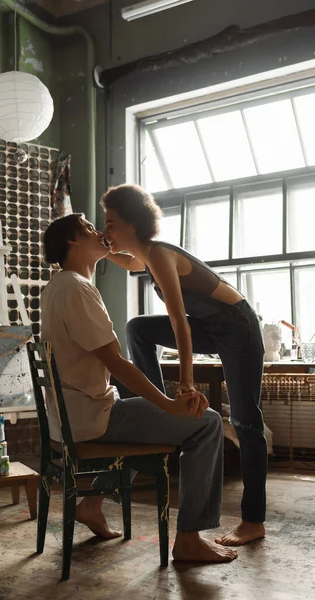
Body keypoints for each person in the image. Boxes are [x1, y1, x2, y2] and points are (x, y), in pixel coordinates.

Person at [41, 213, 237, 563]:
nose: (100, 232)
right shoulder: (77, 288)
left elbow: (109, 364)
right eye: (89, 228)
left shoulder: (57, 286)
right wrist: (167, 404)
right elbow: (118, 363)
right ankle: (189, 539)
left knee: (136, 408)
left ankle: (91, 504)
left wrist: (156, 403)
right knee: (207, 424)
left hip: (70, 416)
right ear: (72, 242)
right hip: (89, 419)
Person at [101, 184, 267, 547]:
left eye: (111, 223)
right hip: (212, 327)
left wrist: (187, 384)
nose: (107, 231)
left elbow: (179, 322)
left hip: (238, 327)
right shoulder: (143, 256)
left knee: (246, 421)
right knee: (137, 328)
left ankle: (253, 521)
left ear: (132, 222)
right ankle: (155, 405)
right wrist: (99, 246)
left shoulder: (159, 255)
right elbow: (128, 261)